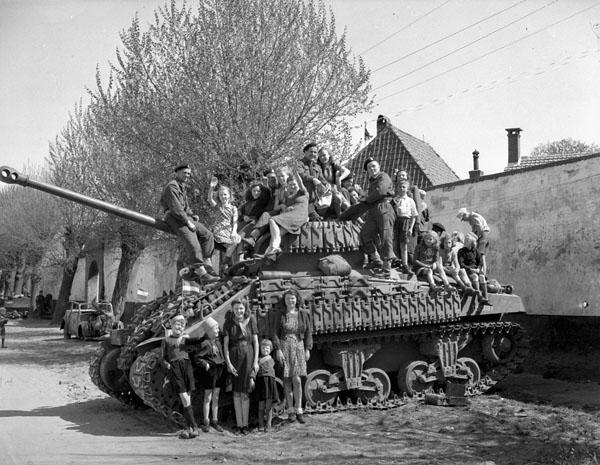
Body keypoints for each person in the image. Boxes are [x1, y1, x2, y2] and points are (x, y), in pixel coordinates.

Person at [160, 164, 217, 283]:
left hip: (184, 216)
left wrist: (192, 215)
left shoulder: (182, 186)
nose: (187, 175)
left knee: (208, 235)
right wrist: (188, 221)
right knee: (193, 242)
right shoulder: (172, 186)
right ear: (177, 173)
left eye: (189, 173)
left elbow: (185, 206)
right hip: (174, 217)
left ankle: (206, 263)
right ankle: (201, 272)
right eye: (184, 173)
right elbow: (176, 208)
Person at [242, 173, 309, 260]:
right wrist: (286, 208)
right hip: (291, 216)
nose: (292, 186)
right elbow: (280, 207)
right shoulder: (288, 196)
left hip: (299, 214)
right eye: (290, 185)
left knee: (272, 220)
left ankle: (272, 248)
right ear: (288, 186)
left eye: (294, 184)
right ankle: (271, 254)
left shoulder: (303, 192)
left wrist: (295, 172)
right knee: (278, 233)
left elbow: (300, 183)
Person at [270, 288, 312, 424]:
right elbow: (274, 332)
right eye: (288, 298)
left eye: (292, 298)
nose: (290, 301)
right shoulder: (280, 314)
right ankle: (291, 411)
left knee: (297, 380)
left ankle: (299, 409)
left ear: (297, 299)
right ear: (285, 300)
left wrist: (307, 349)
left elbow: (308, 332)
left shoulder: (303, 314)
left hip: (299, 346)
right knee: (287, 380)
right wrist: (278, 349)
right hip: (285, 346)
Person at [161, 314, 205, 439]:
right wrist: (167, 365)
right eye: (177, 324)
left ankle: (187, 428)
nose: (179, 327)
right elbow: (162, 357)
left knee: (187, 400)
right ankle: (195, 427)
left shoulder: (185, 339)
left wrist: (204, 326)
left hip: (187, 367)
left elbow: (199, 340)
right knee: (185, 399)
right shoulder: (166, 340)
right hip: (175, 369)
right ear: (171, 325)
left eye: (182, 324)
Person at [223, 300, 259, 435]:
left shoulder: (251, 320)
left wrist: (255, 362)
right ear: (233, 310)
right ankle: (239, 424)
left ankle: (245, 425)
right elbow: (225, 346)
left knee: (245, 392)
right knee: (236, 392)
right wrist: (229, 363)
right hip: (234, 357)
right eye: (237, 308)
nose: (239, 311)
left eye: (241, 308)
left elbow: (255, 342)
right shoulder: (228, 323)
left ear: (245, 309)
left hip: (248, 357)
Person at [359, 158, 396, 271]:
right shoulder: (371, 182)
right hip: (373, 209)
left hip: (384, 207)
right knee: (364, 234)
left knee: (386, 236)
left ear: (379, 167)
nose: (372, 169)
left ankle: (387, 265)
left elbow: (381, 191)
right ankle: (376, 259)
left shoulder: (383, 176)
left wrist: (366, 198)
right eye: (369, 168)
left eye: (374, 166)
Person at [192, 317, 226, 433]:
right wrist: (205, 364)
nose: (217, 331)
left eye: (217, 328)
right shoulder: (205, 343)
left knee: (216, 396)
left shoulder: (217, 341)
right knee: (208, 396)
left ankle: (215, 421)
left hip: (219, 370)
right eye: (214, 329)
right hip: (210, 372)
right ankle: (206, 421)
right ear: (208, 331)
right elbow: (197, 358)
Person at [207, 178, 241, 271]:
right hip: (217, 231)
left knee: (235, 243)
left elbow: (235, 221)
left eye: (225, 194)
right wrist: (211, 188)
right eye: (221, 195)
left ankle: (227, 264)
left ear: (229, 195)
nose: (223, 196)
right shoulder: (217, 206)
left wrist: (234, 232)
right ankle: (211, 267)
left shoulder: (233, 208)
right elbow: (210, 199)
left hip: (228, 231)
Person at [250, 338, 280, 432]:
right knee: (261, 405)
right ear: (260, 349)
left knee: (269, 405)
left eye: (267, 348)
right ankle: (261, 424)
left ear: (270, 349)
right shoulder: (258, 360)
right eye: (263, 348)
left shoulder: (273, 360)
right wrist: (252, 379)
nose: (265, 350)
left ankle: (269, 424)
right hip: (261, 383)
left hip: (270, 383)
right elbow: (254, 370)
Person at [296, 142, 327, 220]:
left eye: (315, 152)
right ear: (305, 152)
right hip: (304, 198)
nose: (313, 154)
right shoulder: (299, 164)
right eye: (311, 151)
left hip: (317, 199)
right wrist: (313, 179)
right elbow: (301, 175)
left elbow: (322, 179)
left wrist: (326, 185)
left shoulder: (317, 166)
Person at [457, 233, 490, 305]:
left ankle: (486, 298)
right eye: (465, 239)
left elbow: (480, 262)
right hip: (467, 271)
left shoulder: (476, 251)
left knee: (482, 277)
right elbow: (461, 264)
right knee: (475, 276)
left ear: (472, 242)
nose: (465, 241)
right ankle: (479, 296)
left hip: (476, 270)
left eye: (467, 240)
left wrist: (478, 269)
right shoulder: (461, 251)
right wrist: (471, 269)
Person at [393, 180, 418, 273]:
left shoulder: (410, 201)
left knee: (403, 245)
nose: (401, 189)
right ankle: (395, 261)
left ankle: (405, 264)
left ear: (407, 189)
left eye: (404, 187)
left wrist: (411, 228)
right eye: (400, 187)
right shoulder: (395, 200)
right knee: (394, 242)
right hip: (396, 221)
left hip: (405, 221)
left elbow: (414, 215)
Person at [457, 207, 490, 275]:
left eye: (463, 218)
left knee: (480, 254)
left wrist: (475, 237)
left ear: (465, 215)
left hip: (482, 235)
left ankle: (482, 273)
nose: (463, 220)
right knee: (479, 253)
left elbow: (479, 228)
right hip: (481, 235)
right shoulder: (471, 219)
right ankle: (481, 272)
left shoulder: (473, 216)